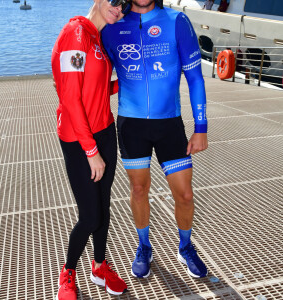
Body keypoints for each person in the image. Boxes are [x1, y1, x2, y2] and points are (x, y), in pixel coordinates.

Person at [102, 0, 208, 279]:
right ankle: (144, 245)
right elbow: (95, 71)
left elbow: (195, 78)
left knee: (185, 195)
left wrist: (201, 127)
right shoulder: (112, 25)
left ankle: (185, 247)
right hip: (131, 124)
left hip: (169, 124)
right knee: (138, 190)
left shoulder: (176, 21)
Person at [51, 0, 131, 299]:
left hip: (105, 132)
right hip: (79, 139)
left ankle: (99, 266)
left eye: (124, 5)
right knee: (90, 216)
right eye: (114, 1)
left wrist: (123, 82)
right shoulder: (76, 34)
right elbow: (71, 97)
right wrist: (90, 150)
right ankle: (68, 271)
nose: (119, 8)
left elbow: (96, 88)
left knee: (104, 205)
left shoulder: (98, 37)